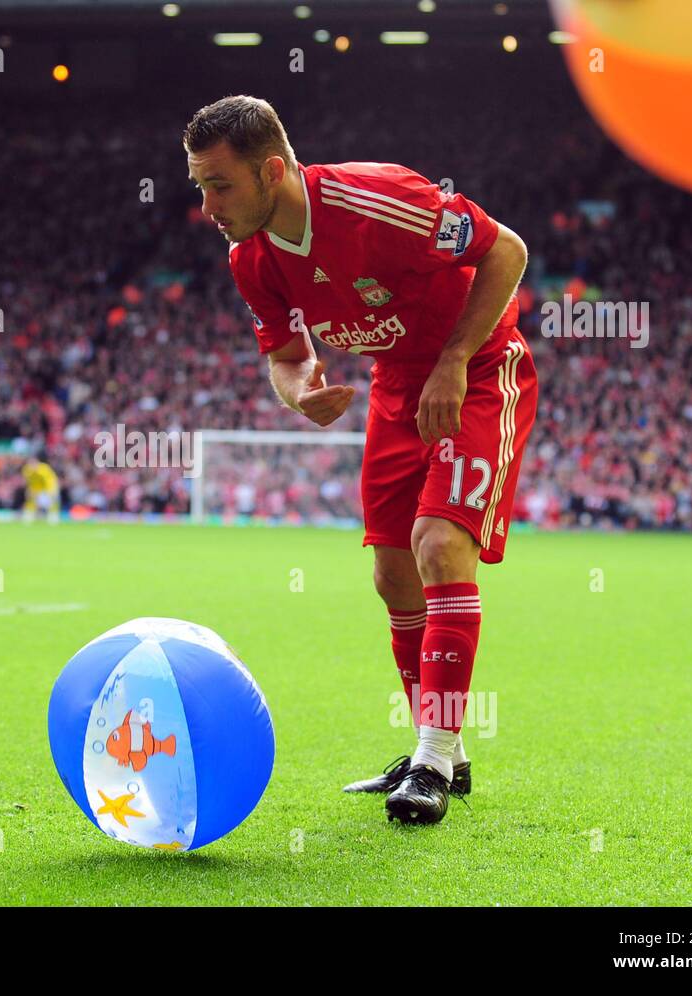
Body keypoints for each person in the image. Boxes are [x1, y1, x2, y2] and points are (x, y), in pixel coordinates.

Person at [185, 95, 538, 824]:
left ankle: (433, 762)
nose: (208, 205)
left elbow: (506, 250)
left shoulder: (380, 199)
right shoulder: (250, 258)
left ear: (272, 170)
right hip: (394, 389)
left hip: (474, 372)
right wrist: (298, 394)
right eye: (199, 187)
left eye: (219, 185)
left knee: (440, 543)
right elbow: (286, 358)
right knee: (392, 574)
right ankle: (444, 751)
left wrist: (455, 359)